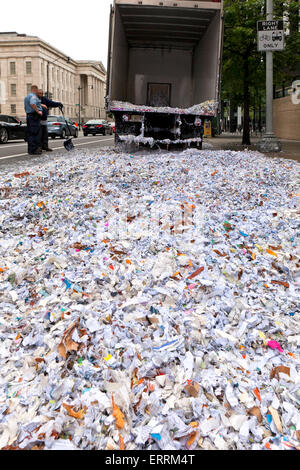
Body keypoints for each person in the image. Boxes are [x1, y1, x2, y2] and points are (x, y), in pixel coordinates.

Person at [24, 85, 46, 155]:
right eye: (37, 91)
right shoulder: (33, 96)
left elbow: (29, 105)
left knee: (30, 134)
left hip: (29, 116)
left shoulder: (27, 96)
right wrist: (38, 111)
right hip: (34, 116)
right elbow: (33, 103)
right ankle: (35, 149)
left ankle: (30, 150)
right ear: (35, 90)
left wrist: (41, 105)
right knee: (35, 133)